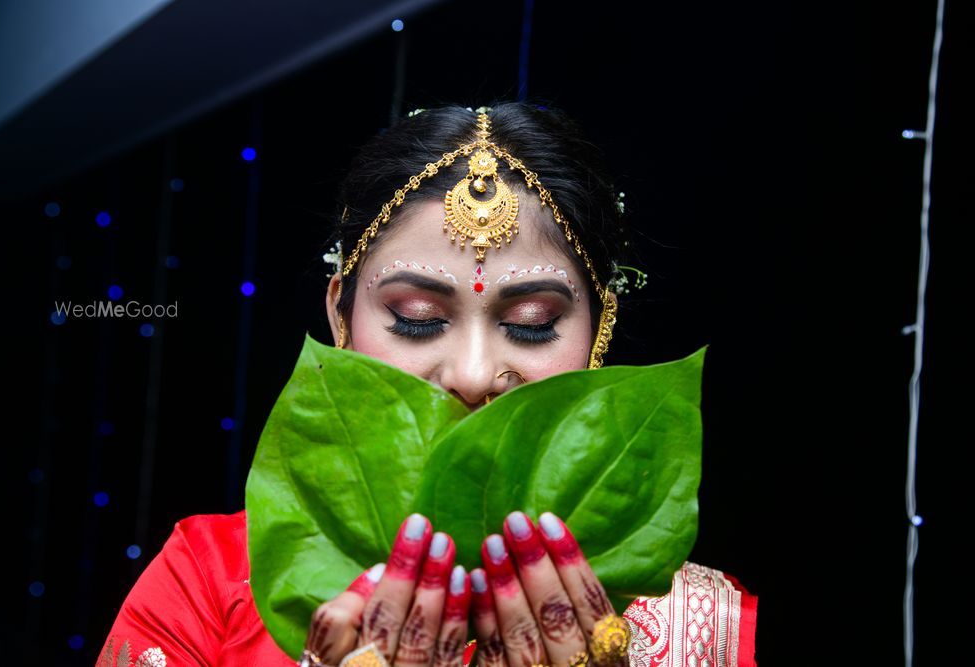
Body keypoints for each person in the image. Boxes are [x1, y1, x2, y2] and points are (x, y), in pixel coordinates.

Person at [97, 103, 757, 667]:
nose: (472, 374)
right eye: (418, 320)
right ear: (339, 315)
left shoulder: (709, 629)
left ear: (599, 330)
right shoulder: (206, 585)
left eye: (531, 325)